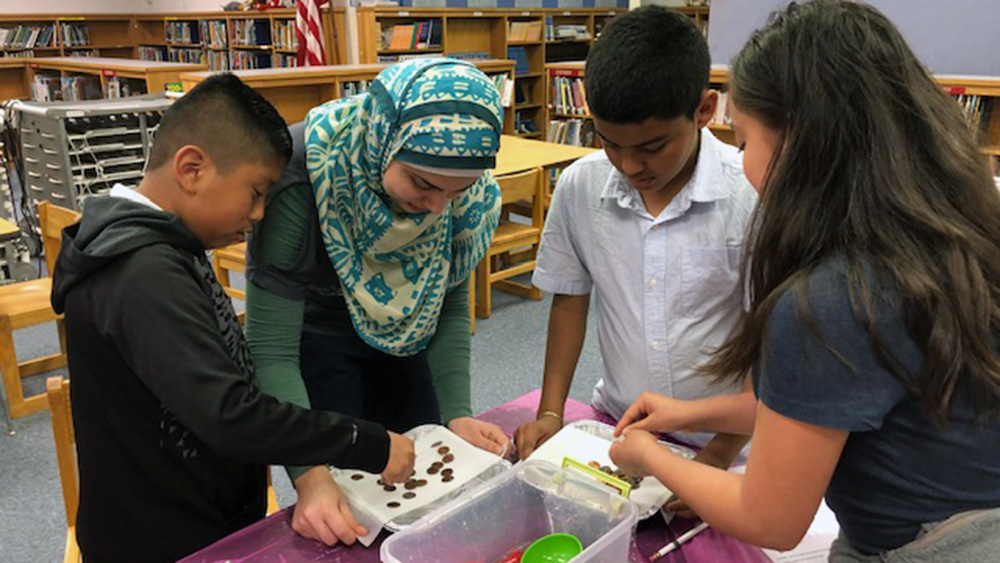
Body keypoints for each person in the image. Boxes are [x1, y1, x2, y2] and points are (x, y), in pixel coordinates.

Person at [610, 1, 1000, 560]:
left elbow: (769, 517)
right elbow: (829, 404)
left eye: (744, 141)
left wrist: (648, 456)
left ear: (797, 141)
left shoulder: (832, 298)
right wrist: (690, 413)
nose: (743, 163)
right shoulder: (953, 228)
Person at [50, 73, 415, 563]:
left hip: (204, 516)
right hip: (162, 540)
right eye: (256, 191)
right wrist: (363, 441)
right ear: (192, 169)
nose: (260, 213)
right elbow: (229, 413)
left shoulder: (170, 246)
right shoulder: (142, 273)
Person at [245, 58, 511, 546]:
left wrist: (456, 415)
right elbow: (271, 347)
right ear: (382, 140)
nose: (437, 207)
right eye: (423, 184)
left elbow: (448, 302)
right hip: (319, 334)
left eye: (458, 191)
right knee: (349, 495)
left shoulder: (465, 191)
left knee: (427, 478)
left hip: (411, 330)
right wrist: (311, 477)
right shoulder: (304, 175)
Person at [513, 5, 758, 503]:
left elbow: (773, 343)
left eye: (651, 146)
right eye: (609, 142)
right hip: (623, 429)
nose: (629, 165)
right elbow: (569, 300)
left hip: (733, 444)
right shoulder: (581, 187)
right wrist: (551, 413)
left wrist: (714, 458)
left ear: (705, 109)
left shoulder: (751, 196)